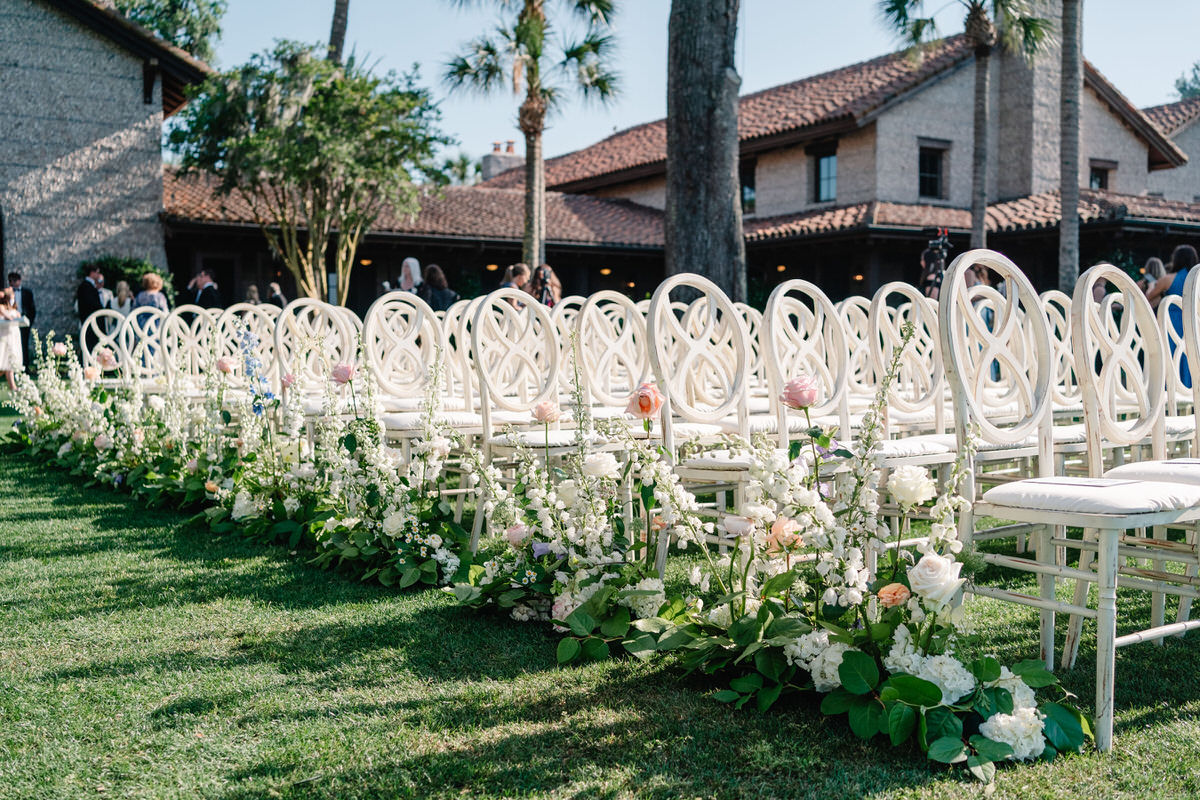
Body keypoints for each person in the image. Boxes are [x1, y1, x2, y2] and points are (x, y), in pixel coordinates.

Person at [1148, 244, 1200, 388]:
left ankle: (1171, 389)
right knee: (1191, 354)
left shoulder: (1168, 279)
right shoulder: (1198, 278)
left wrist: (1152, 285)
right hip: (1193, 321)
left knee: (1172, 354)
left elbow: (1147, 298)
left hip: (1172, 322)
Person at [0, 288, 27, 391]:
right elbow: (8, 317)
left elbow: (19, 317)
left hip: (13, 338)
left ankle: (13, 386)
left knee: (10, 364)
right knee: (2, 363)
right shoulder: (1, 308)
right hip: (3, 339)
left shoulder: (15, 310)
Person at [8, 272, 35, 371]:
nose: (12, 283)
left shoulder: (27, 292)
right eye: (10, 281)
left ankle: (25, 366)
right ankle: (12, 367)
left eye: (14, 281)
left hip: (23, 322)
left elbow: (32, 309)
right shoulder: (7, 293)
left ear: (19, 281)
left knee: (24, 344)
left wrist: (29, 322)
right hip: (11, 322)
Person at [77, 264, 105, 351]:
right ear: (92, 273)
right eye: (97, 273)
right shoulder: (86, 286)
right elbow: (91, 304)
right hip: (91, 322)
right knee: (91, 346)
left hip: (91, 322)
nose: (98, 275)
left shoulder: (88, 286)